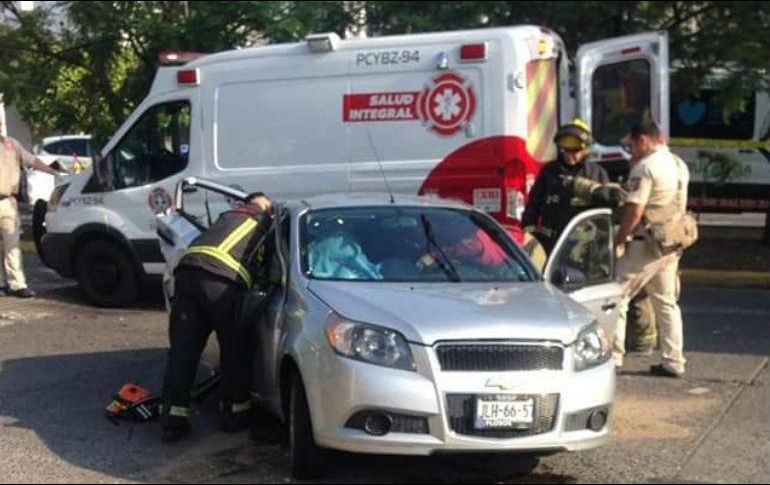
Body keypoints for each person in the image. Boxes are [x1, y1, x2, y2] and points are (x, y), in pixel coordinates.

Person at [161, 192, 275, 442]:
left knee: (183, 351)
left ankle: (172, 420)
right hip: (221, 282)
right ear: (266, 206)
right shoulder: (263, 223)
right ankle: (236, 414)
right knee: (235, 348)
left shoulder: (229, 216)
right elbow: (268, 268)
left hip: (187, 274)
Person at [613, 121, 690, 378]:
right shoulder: (678, 164)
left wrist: (620, 239)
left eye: (632, 144)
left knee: (617, 296)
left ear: (644, 140)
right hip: (671, 242)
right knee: (666, 303)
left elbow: (635, 209)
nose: (631, 149)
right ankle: (674, 360)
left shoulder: (645, 167)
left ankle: (613, 358)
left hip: (644, 244)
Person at [522, 118, 611, 254]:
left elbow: (606, 208)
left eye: (574, 151)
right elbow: (532, 207)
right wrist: (529, 235)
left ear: (585, 149)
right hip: (552, 244)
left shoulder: (596, 173)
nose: (569, 155)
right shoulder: (549, 173)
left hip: (584, 245)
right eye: (565, 150)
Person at [0, 119, 60, 298]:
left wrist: (53, 172)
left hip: (8, 201)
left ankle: (17, 284)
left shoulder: (12, 145)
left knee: (12, 245)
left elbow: (32, 160)